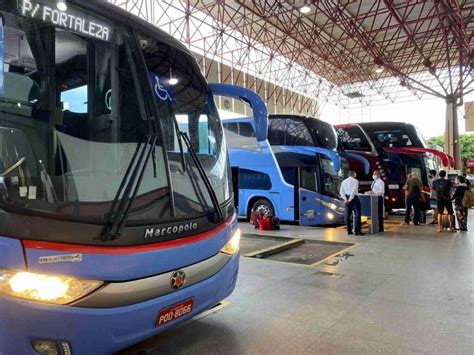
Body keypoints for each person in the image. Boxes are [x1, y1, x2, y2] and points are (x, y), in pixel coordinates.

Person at [340, 171, 365, 236]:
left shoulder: (344, 181)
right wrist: (350, 199)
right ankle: (357, 231)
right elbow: (353, 191)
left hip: (346, 198)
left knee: (347, 215)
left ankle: (349, 230)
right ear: (354, 175)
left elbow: (341, 191)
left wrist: (345, 199)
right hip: (354, 199)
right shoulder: (355, 181)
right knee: (357, 214)